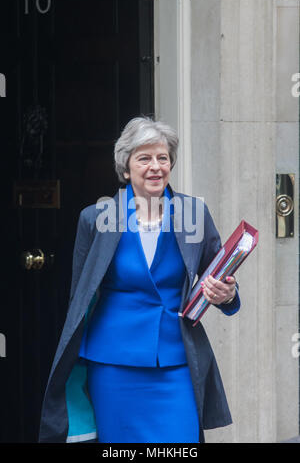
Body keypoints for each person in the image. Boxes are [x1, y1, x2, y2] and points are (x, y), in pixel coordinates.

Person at [39, 116, 240, 444]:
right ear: (126, 168)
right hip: (114, 363)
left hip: (176, 363)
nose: (156, 166)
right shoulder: (96, 218)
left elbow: (220, 273)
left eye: (163, 158)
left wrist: (227, 294)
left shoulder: (193, 214)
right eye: (144, 158)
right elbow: (81, 296)